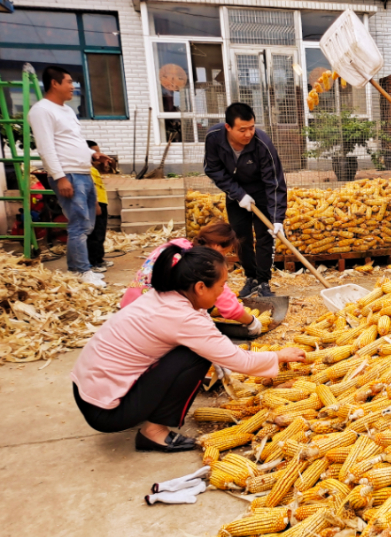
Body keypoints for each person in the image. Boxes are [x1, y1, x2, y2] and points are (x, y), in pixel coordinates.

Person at [71, 245, 306, 452]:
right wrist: (277, 355)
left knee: (195, 351)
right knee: (194, 356)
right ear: (201, 287)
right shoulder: (182, 317)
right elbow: (239, 360)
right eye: (222, 286)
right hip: (104, 412)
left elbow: (209, 334)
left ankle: (141, 411)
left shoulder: (166, 294)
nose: (224, 291)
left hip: (88, 391)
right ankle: (153, 433)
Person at [28, 66, 112, 287]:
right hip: (68, 175)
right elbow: (46, 148)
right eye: (68, 82)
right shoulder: (42, 110)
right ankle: (80, 271)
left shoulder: (66, 110)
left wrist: (94, 155)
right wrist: (59, 176)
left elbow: (74, 142)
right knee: (79, 225)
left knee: (87, 224)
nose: (73, 87)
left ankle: (81, 268)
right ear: (54, 83)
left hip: (83, 172)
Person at [119, 221, 263, 336]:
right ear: (217, 246)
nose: (223, 257)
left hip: (128, 308)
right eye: (225, 252)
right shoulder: (201, 262)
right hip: (146, 321)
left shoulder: (177, 245)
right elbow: (226, 303)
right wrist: (251, 321)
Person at [203, 103, 287, 298]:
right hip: (236, 193)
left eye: (251, 127)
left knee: (265, 236)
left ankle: (264, 281)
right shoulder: (214, 138)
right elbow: (212, 169)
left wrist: (277, 218)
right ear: (228, 128)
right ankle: (251, 278)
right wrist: (238, 194)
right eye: (242, 130)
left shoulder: (263, 143)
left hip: (262, 193)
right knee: (241, 237)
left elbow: (275, 182)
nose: (248, 134)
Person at [86, 140, 112, 273]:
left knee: (101, 232)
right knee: (95, 233)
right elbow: (90, 188)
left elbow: (107, 171)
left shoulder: (93, 168)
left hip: (102, 201)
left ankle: (100, 259)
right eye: (95, 151)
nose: (98, 154)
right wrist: (95, 203)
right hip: (95, 203)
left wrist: (105, 164)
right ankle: (93, 262)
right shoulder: (85, 170)